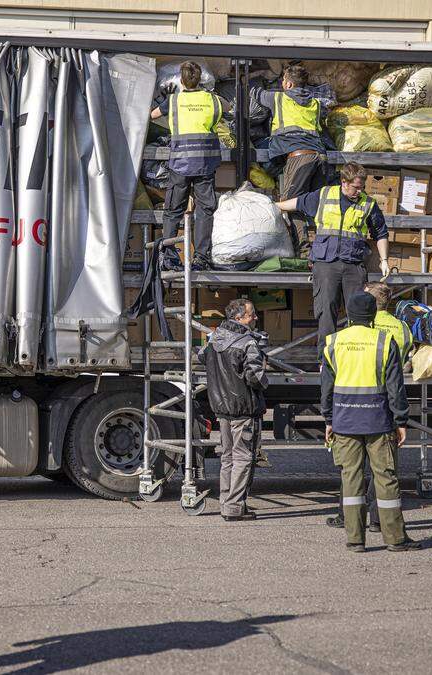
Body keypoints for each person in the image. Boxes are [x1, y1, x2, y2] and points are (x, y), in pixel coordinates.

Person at [320, 292, 419, 553]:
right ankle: (395, 539)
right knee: (386, 479)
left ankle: (355, 539)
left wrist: (328, 419)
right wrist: (401, 421)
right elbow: (395, 388)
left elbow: (326, 388)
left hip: (344, 422)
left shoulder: (333, 342)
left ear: (349, 316)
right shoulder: (385, 342)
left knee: (350, 479)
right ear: (373, 315)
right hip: (378, 422)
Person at [275, 162, 390, 350]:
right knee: (326, 311)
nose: (359, 191)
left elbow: (381, 233)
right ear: (344, 182)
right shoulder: (324, 195)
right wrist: (273, 206)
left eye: (362, 187)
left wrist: (384, 260)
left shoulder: (368, 203)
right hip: (326, 264)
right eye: (356, 187)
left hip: (354, 265)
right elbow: (296, 203)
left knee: (359, 312)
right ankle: (326, 360)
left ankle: (356, 355)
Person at [150, 61, 228, 271]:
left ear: (182, 80)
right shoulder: (213, 100)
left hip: (181, 164)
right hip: (205, 165)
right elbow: (227, 108)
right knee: (204, 211)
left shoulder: (174, 101)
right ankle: (201, 258)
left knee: (174, 210)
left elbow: (153, 115)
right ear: (200, 79)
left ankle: (169, 256)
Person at [201, 298, 271, 521]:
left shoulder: (214, 338)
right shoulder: (248, 342)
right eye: (252, 315)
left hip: (221, 408)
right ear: (239, 318)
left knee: (228, 457)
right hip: (244, 407)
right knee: (243, 457)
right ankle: (233, 506)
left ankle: (227, 502)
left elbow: (202, 357)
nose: (255, 318)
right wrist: (265, 381)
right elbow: (255, 376)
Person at [257, 64, 330, 255]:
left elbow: (256, 94)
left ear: (288, 84)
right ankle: (324, 248)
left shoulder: (278, 97)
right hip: (321, 157)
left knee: (292, 204)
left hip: (300, 158)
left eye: (283, 81)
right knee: (319, 206)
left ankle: (304, 251)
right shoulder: (315, 103)